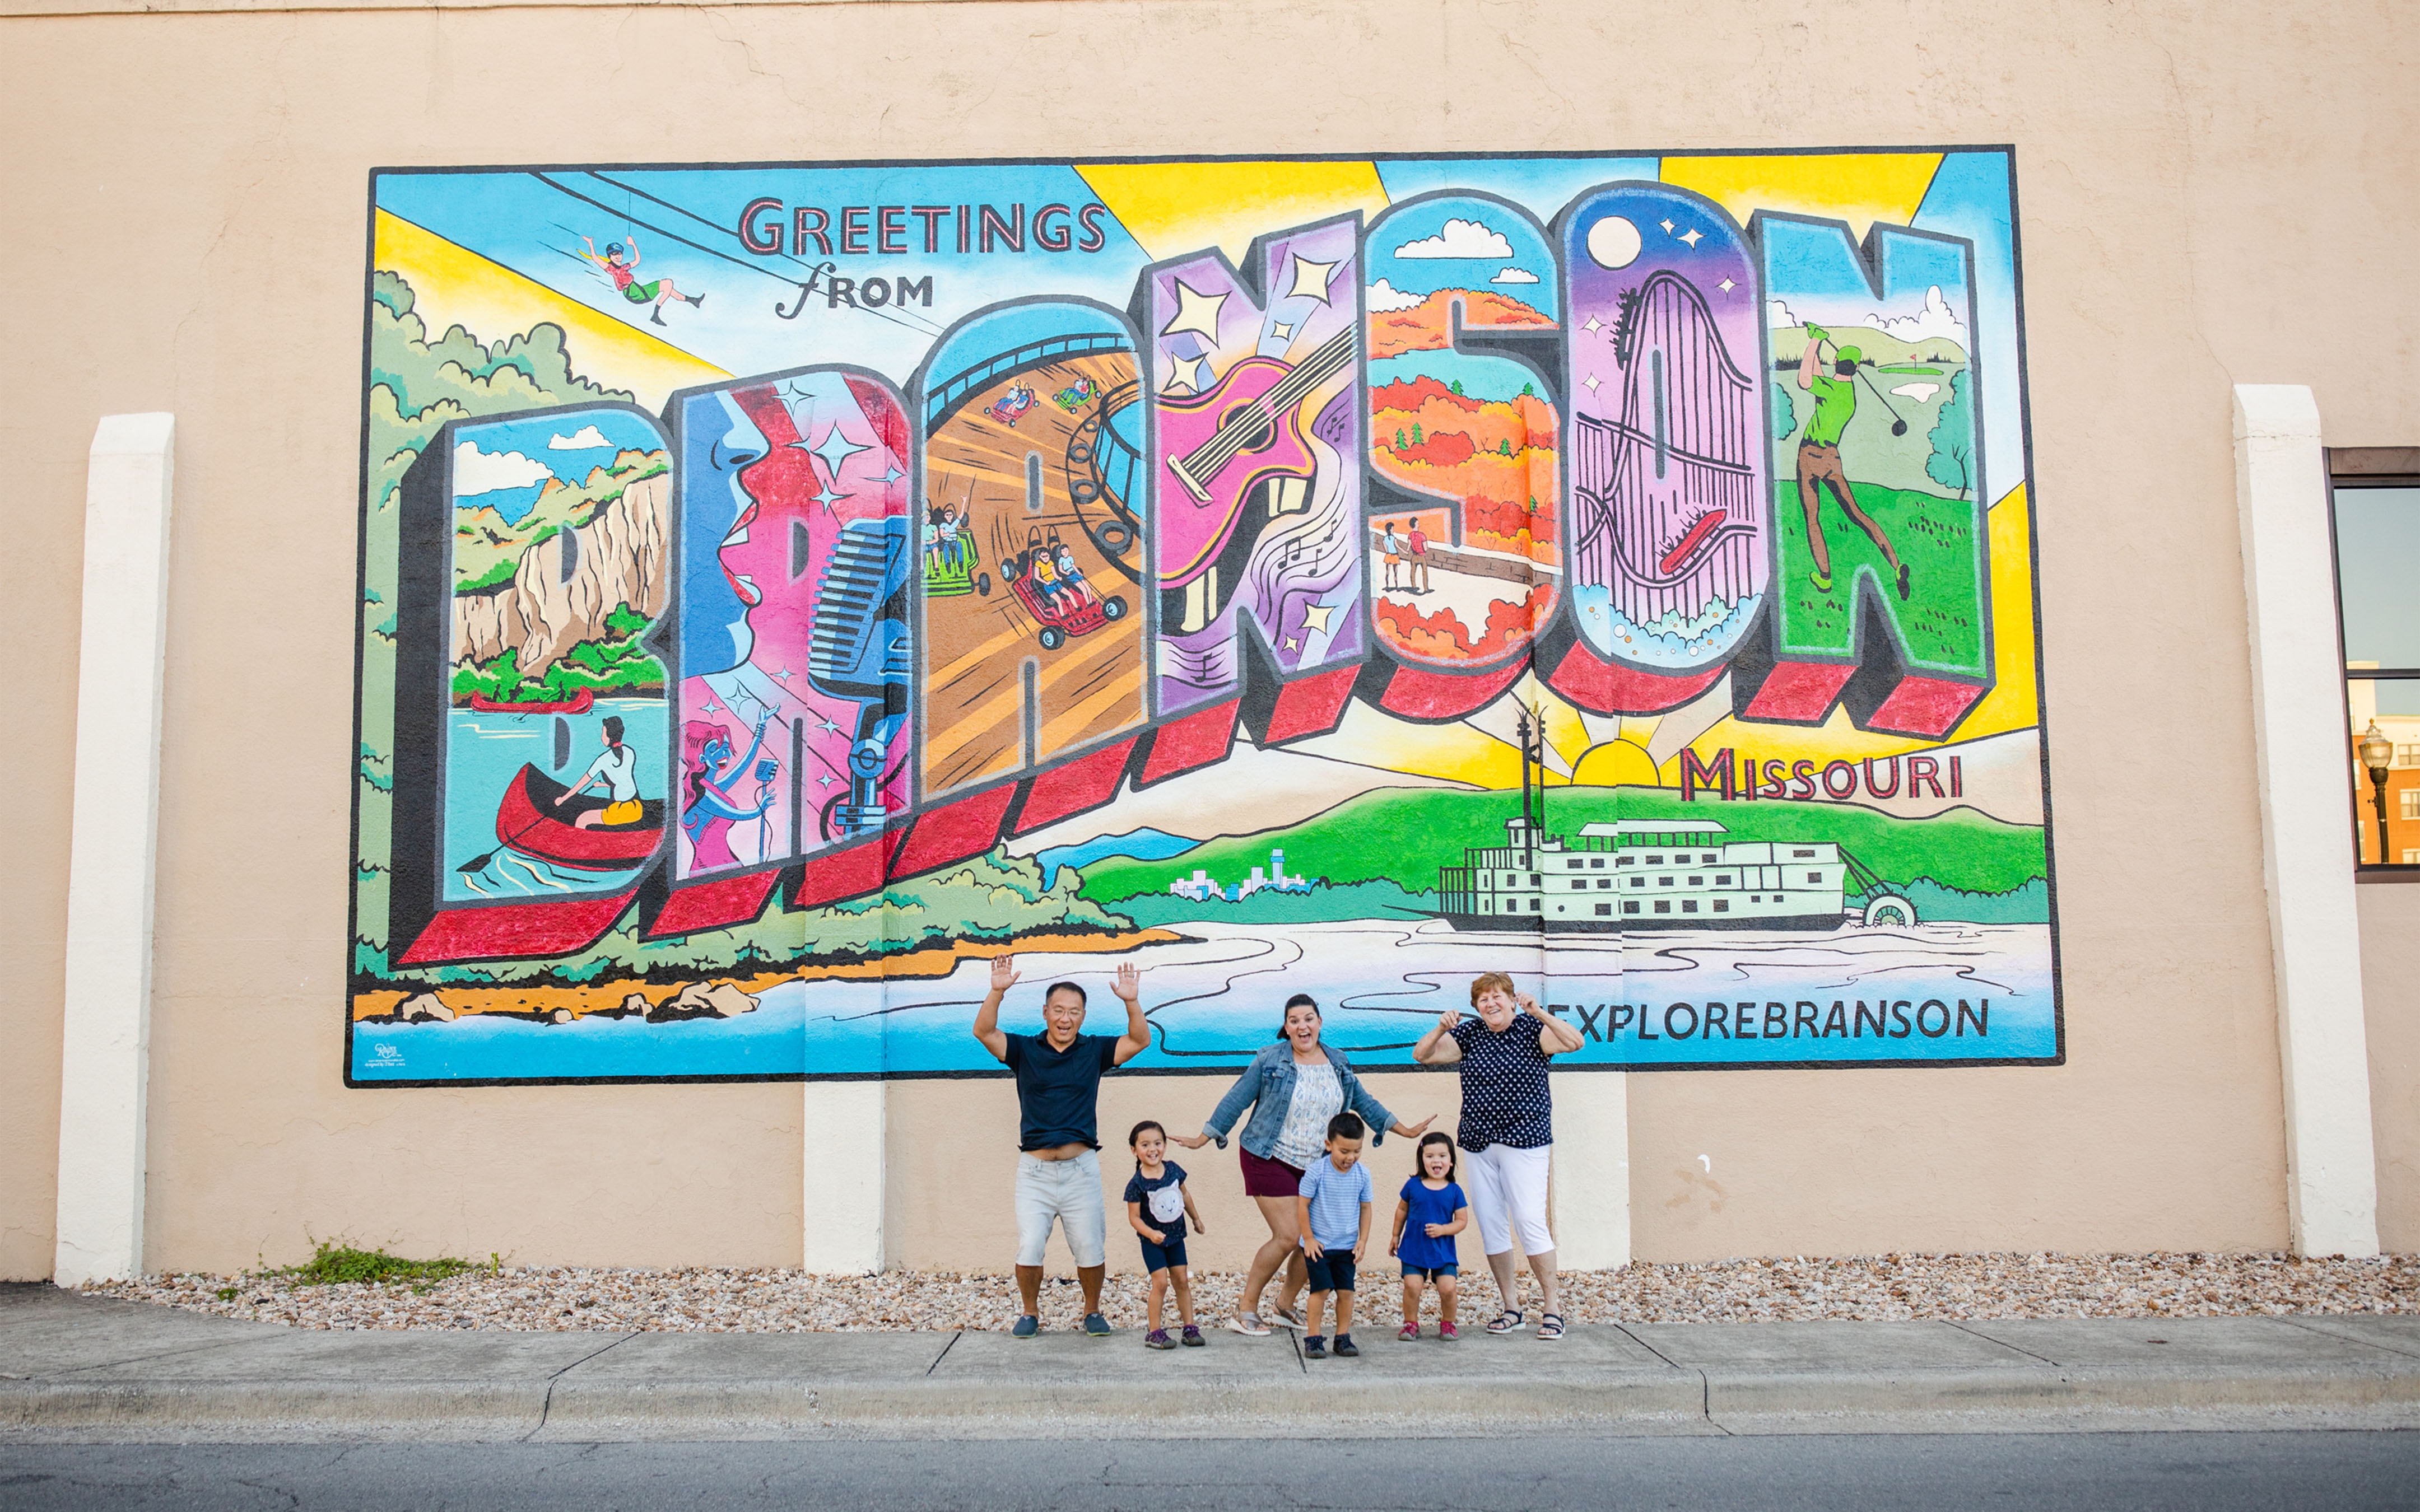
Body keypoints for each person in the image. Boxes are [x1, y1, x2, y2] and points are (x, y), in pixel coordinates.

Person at [1171, 993, 1434, 1337]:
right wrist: (1205, 1136)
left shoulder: (1338, 1062)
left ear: (1319, 1023)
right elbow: (1238, 1097)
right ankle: (1246, 1309)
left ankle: (1284, 1305)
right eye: (1294, 1020)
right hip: (1267, 1155)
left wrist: (1403, 1129)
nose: (1302, 1026)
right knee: (1289, 1236)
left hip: (1317, 1166)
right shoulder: (1270, 1059)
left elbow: (1364, 1103)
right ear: (1287, 1027)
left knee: (1316, 1238)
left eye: (1308, 1018)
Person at [971, 955, 1152, 1339]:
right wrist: (996, 992)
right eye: (1058, 1011)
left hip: (1080, 1169)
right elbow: (984, 1032)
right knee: (1030, 1246)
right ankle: (1030, 1312)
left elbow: (1139, 1040)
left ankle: (1092, 1311)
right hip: (1034, 1172)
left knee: (1089, 1247)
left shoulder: (1094, 1051)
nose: (1065, 1019)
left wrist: (1130, 1001)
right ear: (1046, 1012)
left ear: (1083, 1016)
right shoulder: (1025, 1050)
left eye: (1074, 1012)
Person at [1413, 972, 1585, 1340]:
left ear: (1511, 1000)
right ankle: (1512, 1307)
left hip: (1525, 1141)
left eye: (1496, 997)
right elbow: (1422, 1055)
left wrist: (1539, 1012)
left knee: (1528, 1219)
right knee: (1491, 1224)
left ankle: (1552, 1307)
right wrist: (1441, 1028)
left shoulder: (1531, 1030)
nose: (1489, 1004)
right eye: (1482, 1000)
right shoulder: (1471, 1035)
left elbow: (1576, 1042)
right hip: (1479, 1143)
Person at [1795, 324, 1909, 601]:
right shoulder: (1846, 395)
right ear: (1856, 369)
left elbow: (1805, 380)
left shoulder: (1831, 390)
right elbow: (1818, 379)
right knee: (1857, 514)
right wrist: (1818, 343)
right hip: (1833, 460)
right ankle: (1895, 565)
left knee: (1813, 518)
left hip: (1809, 456)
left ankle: (1824, 578)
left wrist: (1813, 342)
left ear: (1837, 362)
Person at [1295, 1112, 1373, 1359]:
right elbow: (1302, 1205)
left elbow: (1366, 1208)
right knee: (1320, 1291)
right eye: (1344, 1151)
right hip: (1319, 1246)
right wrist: (1308, 1238)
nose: (1350, 1158)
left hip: (1347, 1246)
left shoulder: (1363, 1175)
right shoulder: (1317, 1172)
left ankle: (1342, 1337)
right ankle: (1313, 1338)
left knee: (1346, 1292)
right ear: (1329, 1145)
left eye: (1357, 1151)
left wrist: (1362, 1240)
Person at [1123, 1120, 1206, 1350]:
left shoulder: (1173, 1170)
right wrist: (1150, 1234)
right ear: (1134, 1150)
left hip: (1176, 1236)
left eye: (1158, 1143)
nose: (1153, 1149)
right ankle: (1154, 1332)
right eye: (1145, 1145)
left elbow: (1185, 1195)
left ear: (1165, 1145)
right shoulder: (1136, 1184)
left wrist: (1196, 1218)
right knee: (1160, 1283)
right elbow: (1134, 1218)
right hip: (1153, 1242)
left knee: (1181, 1280)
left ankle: (1189, 1327)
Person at [1390, 1131, 1471, 1342]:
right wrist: (1395, 1236)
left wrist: (1444, 1230)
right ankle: (1410, 1324)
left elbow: (1462, 1220)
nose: (1436, 1161)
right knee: (1412, 1286)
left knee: (1448, 1288)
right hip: (1414, 1250)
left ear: (1451, 1161)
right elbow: (1401, 1211)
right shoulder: (1413, 1185)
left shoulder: (1455, 1191)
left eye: (1442, 1156)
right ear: (1421, 1159)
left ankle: (1448, 1323)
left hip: (1442, 1251)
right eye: (1430, 1156)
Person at [678, 711, 778, 871]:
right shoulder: (701, 793)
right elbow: (734, 813)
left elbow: (743, 766)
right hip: (709, 868)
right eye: (716, 749)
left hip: (726, 862)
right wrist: (759, 809)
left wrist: (761, 727)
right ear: (701, 758)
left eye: (726, 747)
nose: (725, 753)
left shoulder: (710, 787)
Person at [580, 233, 704, 328]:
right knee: (668, 283)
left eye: (620, 254)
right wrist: (591, 243)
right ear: (610, 257)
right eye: (614, 254)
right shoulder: (611, 268)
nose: (618, 257)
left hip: (638, 289)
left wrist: (633, 244)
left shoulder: (624, 267)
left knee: (668, 288)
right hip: (634, 293)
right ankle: (655, 315)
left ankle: (693, 301)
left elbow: (637, 260)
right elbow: (595, 258)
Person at [556, 716, 640, 830]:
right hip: (637, 807)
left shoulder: (603, 760)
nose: (602, 736)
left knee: (582, 819)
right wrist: (603, 785)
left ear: (610, 737)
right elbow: (623, 781)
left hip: (621, 809)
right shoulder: (630, 752)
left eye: (603, 733)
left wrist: (563, 799)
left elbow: (582, 783)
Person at [1405, 517, 1432, 594]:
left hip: (1414, 556)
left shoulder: (1410, 535)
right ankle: (1426, 588)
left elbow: (1409, 546)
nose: (1419, 524)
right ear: (1415, 525)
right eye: (1418, 523)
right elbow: (1426, 548)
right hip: (1421, 556)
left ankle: (1414, 587)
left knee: (1413, 572)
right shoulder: (1422, 535)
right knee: (1424, 572)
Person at [1378, 521, 1406, 590]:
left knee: (1387, 572)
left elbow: (1386, 549)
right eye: (1393, 529)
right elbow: (1398, 547)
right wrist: (1405, 551)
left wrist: (1389, 553)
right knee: (1395, 573)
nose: (1393, 530)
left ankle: (1387, 586)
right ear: (1390, 530)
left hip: (1389, 555)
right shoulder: (1394, 538)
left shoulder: (1385, 539)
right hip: (1395, 555)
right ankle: (1396, 587)